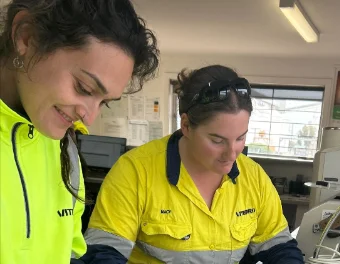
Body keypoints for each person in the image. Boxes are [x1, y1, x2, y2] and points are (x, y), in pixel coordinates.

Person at [81, 65, 304, 264]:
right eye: (217, 140)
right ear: (186, 125)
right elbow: (103, 252)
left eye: (240, 138)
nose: (232, 154)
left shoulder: (253, 178)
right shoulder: (135, 172)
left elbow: (278, 246)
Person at [0, 0, 159, 263]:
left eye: (104, 102)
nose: (89, 116)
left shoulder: (66, 152)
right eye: (84, 88)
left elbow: (71, 251)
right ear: (26, 36)